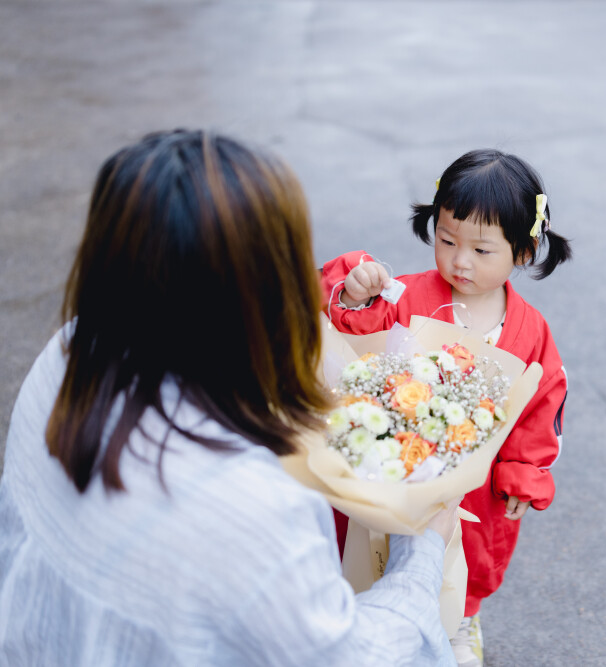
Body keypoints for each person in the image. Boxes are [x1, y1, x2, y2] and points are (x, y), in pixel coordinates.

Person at [0, 130, 460, 667]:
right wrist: (421, 547)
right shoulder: (248, 510)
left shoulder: (71, 350)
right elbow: (350, 657)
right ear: (266, 288)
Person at [319, 149, 572, 667]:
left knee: (468, 554)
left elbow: (542, 402)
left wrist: (525, 468)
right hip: (395, 459)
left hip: (473, 479)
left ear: (522, 252)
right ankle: (366, 614)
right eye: (447, 240)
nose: (460, 261)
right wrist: (355, 293)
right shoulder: (405, 295)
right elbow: (351, 330)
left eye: (482, 250)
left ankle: (460, 620)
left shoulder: (530, 330)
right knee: (373, 545)